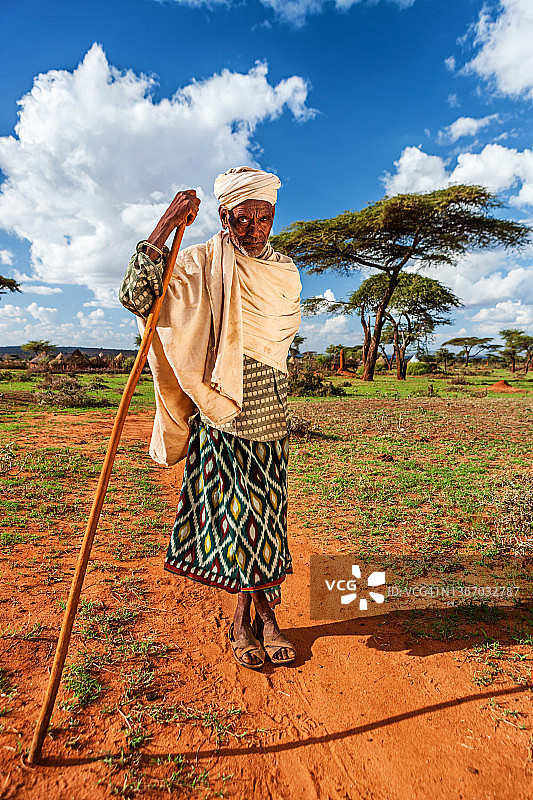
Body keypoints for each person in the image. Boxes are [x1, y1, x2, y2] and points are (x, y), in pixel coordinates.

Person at [120, 167, 301, 669]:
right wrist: (165, 224)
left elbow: (278, 341)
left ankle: (260, 614)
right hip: (219, 410)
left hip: (270, 410)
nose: (254, 229)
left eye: (264, 218)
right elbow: (138, 297)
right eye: (242, 219)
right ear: (225, 217)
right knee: (235, 515)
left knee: (266, 517)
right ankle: (248, 620)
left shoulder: (285, 270)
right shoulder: (198, 262)